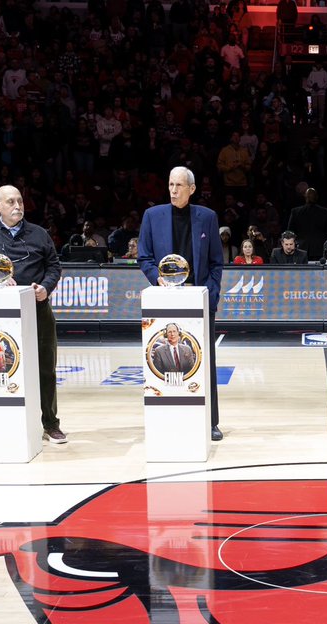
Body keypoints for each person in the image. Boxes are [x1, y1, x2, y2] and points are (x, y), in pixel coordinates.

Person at [0, 185, 67, 444]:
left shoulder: (39, 233)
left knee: (45, 369)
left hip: (38, 310)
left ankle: (50, 424)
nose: (17, 206)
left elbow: (54, 266)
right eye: (10, 202)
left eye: (20, 200)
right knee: (3, 369)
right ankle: (5, 424)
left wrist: (46, 287)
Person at [138, 166, 225, 441]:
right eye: (171, 184)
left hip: (198, 301)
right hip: (165, 300)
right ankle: (167, 418)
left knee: (204, 361)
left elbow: (215, 263)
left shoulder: (207, 217)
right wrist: (157, 279)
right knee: (164, 362)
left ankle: (210, 421)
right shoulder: (152, 216)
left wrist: (210, 296)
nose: (174, 190)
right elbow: (144, 257)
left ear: (192, 189)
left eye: (179, 185)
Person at [287, 187, 327, 253]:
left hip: (301, 248)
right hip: (319, 248)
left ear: (305, 196)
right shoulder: (325, 212)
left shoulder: (296, 212)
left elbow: (290, 232)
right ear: (317, 197)